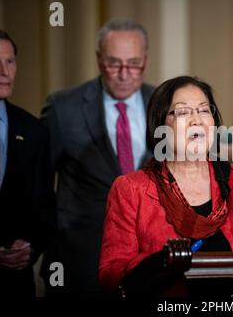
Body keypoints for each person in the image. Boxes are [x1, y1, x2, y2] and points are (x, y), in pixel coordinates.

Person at [98, 76, 233, 294]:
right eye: (183, 112)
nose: (197, 120)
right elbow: (111, 275)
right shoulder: (131, 188)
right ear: (160, 124)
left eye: (204, 110)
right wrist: (162, 262)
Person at [41, 19, 154, 296]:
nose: (124, 74)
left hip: (149, 262)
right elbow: (37, 184)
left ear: (146, 60)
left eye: (134, 64)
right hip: (79, 259)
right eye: (114, 64)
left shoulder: (163, 103)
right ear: (98, 59)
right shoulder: (63, 107)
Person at [0, 26, 54, 297]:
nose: (5, 71)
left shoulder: (34, 130)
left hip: (14, 284)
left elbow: (45, 209)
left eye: (10, 61)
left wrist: (30, 248)